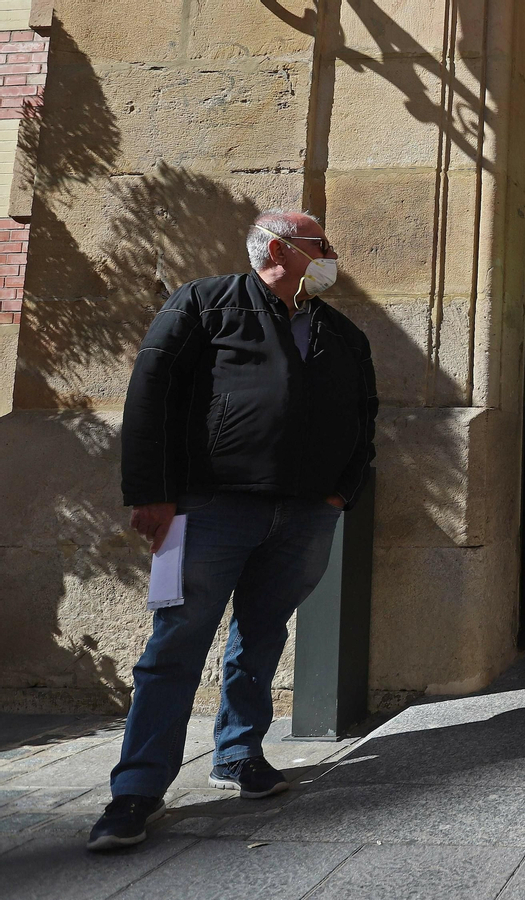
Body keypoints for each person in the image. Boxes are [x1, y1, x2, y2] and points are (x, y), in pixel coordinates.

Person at [88, 210, 378, 851]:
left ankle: (239, 755)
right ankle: (135, 791)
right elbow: (150, 393)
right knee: (174, 642)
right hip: (202, 510)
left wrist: (338, 494)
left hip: (305, 515)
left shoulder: (340, 332)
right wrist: (152, 494)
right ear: (278, 247)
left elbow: (366, 417)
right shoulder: (203, 303)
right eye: (319, 244)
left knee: (265, 632)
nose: (331, 254)